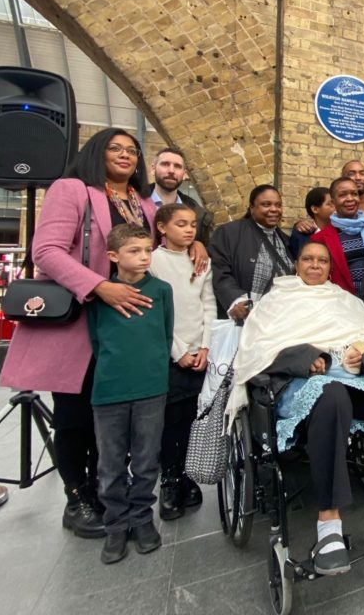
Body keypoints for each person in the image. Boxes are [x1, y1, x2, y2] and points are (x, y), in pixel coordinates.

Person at [0, 128, 167, 539]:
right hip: (83, 316)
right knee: (75, 415)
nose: (126, 155)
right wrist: (98, 286)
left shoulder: (142, 202)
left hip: (125, 324)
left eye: (132, 150)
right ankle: (78, 496)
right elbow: (47, 250)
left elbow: (154, 248)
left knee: (113, 415)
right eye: (116, 148)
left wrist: (192, 246)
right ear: (96, 152)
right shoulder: (72, 189)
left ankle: (108, 489)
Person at [226, 241, 364, 575]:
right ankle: (328, 523)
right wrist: (307, 357)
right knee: (331, 394)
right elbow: (257, 350)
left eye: (322, 260)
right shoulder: (275, 302)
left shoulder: (344, 299)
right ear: (296, 264)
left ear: (330, 268)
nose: (315, 265)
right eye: (308, 259)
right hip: (301, 383)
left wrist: (363, 349)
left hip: (352, 377)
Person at [88, 224, 174, 564]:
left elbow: (166, 334)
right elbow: (96, 339)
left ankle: (142, 520)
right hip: (110, 387)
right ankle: (115, 525)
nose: (143, 257)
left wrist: (156, 368)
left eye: (147, 250)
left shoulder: (162, 290)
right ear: (113, 256)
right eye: (134, 251)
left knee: (145, 458)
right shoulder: (101, 295)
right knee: (109, 464)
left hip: (151, 385)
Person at [149, 204, 217, 521]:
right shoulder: (153, 262)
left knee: (193, 416)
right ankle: (170, 479)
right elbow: (157, 313)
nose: (189, 230)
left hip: (198, 350)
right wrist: (179, 351)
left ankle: (187, 473)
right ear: (162, 228)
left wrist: (206, 345)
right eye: (180, 224)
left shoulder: (201, 261)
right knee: (171, 420)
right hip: (171, 353)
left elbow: (208, 304)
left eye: (192, 225)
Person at [209, 184, 295, 320]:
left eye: (278, 205)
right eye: (266, 205)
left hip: (280, 320)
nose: (274, 209)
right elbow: (219, 270)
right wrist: (236, 301)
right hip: (246, 317)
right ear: (252, 207)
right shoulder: (230, 233)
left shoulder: (286, 240)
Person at [311, 177, 364, 295]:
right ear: (333, 201)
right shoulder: (320, 239)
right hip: (343, 304)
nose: (350, 199)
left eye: (354, 194)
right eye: (343, 195)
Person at [147, 146, 215, 246]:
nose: (171, 170)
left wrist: (198, 245)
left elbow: (210, 250)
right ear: (153, 169)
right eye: (165, 164)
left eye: (177, 166)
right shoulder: (134, 203)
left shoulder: (199, 215)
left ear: (184, 174)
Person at [289, 186, 334, 258]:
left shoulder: (340, 232)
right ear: (315, 209)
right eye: (330, 204)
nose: (335, 207)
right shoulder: (301, 234)